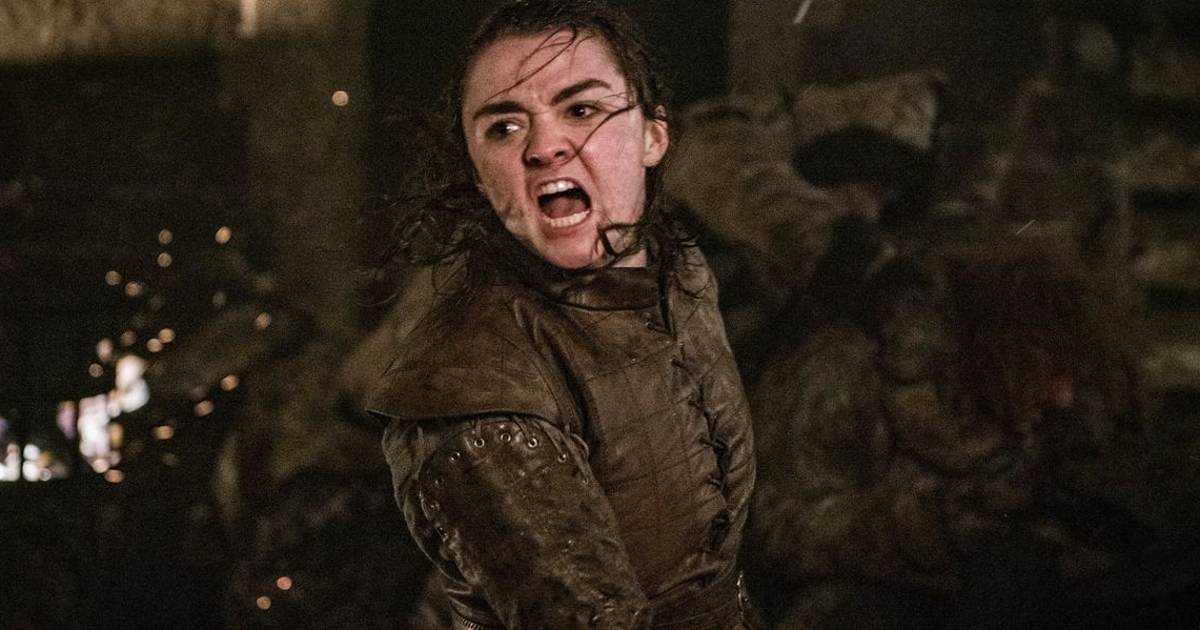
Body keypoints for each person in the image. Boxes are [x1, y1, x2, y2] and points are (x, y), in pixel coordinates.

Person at [364, 1, 755, 628]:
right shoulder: (478, 391)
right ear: (478, 174)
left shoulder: (676, 269)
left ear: (653, 135)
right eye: (504, 127)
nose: (545, 147)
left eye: (581, 110)